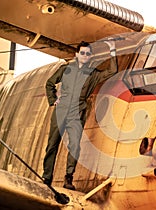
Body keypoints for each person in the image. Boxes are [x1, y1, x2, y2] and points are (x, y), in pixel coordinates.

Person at [42, 40, 117, 190]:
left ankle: (68, 178)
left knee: (75, 146)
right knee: (52, 144)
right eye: (82, 53)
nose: (84, 56)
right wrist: (53, 100)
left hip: (78, 110)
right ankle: (46, 177)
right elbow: (49, 83)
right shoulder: (66, 69)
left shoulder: (93, 74)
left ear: (90, 56)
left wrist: (113, 50)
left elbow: (112, 71)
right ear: (77, 54)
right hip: (61, 109)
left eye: (87, 54)